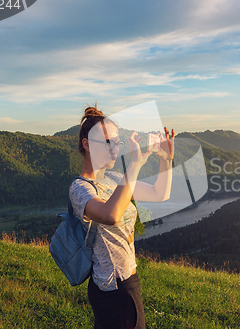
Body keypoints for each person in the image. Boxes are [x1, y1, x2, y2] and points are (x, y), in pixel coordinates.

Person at [69, 103, 174, 329]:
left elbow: (160, 193)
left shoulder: (116, 179)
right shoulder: (80, 188)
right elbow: (111, 215)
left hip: (128, 283)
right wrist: (135, 164)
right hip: (111, 289)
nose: (115, 148)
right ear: (86, 144)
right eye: (108, 142)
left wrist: (166, 160)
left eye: (118, 142)